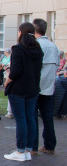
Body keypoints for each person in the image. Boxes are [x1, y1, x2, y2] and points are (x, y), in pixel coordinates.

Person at [4, 22, 43, 162]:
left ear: (20, 32)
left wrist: (7, 80)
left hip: (19, 89)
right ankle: (27, 150)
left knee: (21, 120)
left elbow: (15, 71)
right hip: (33, 88)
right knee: (30, 119)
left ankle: (20, 151)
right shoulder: (38, 50)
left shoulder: (18, 49)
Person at [33, 18, 58, 155]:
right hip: (49, 85)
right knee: (48, 117)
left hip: (37, 85)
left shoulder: (36, 45)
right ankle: (49, 145)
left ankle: (33, 146)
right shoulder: (53, 45)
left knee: (33, 116)